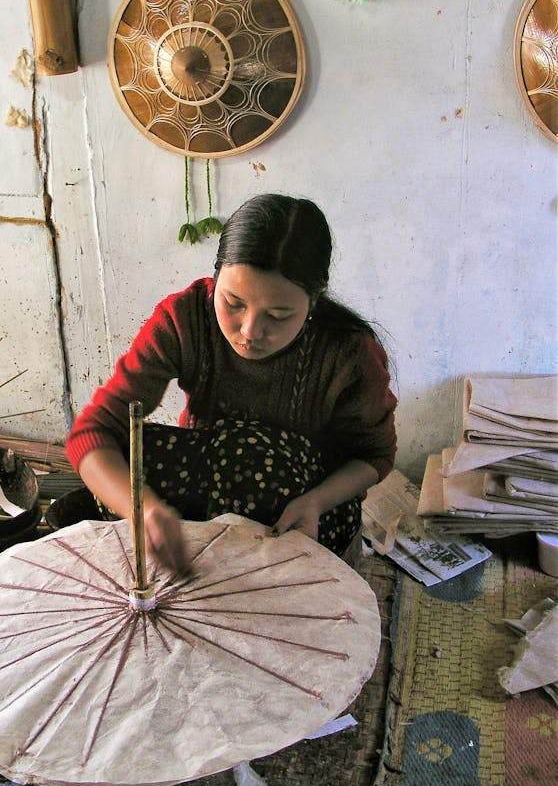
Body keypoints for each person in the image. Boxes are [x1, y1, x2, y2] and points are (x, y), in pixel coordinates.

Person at [65, 194, 397, 573]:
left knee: (257, 456)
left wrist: (316, 503)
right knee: (126, 457)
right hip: (212, 480)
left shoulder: (349, 352)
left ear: (312, 304)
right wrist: (145, 512)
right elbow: (92, 432)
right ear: (215, 276)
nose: (249, 331)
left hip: (300, 505)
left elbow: (375, 455)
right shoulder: (185, 317)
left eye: (278, 315)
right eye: (233, 302)